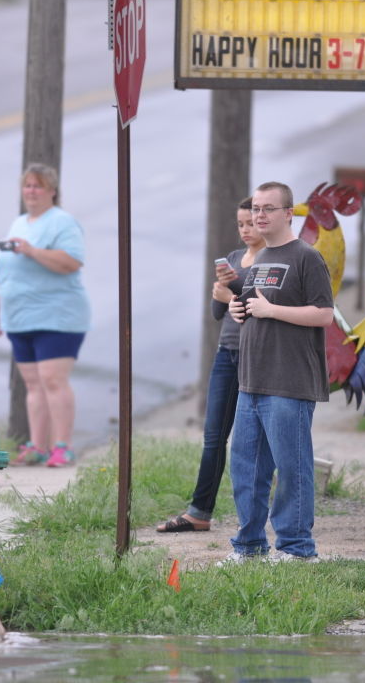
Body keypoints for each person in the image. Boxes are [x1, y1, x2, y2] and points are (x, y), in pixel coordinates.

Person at [223, 181, 334, 564]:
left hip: (290, 382)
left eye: (269, 208)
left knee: (292, 469)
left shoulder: (306, 257)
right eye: (256, 208)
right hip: (251, 382)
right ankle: (250, 547)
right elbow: (256, 306)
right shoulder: (258, 260)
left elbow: (324, 314)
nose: (259, 215)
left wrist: (273, 312)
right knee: (246, 471)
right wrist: (241, 311)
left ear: (288, 213)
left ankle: (297, 550)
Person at [157, 197, 264, 533]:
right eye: (241, 224)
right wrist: (221, 293)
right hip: (226, 353)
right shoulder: (234, 258)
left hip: (256, 356)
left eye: (251, 222)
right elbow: (218, 314)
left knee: (258, 439)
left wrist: (230, 295)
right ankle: (199, 511)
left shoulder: (272, 260)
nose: (246, 230)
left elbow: (260, 311)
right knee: (214, 435)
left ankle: (265, 514)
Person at [0, 163, 90, 468]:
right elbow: (7, 272)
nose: (31, 191)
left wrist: (33, 251)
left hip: (57, 316)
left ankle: (63, 446)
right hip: (19, 316)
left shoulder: (62, 222)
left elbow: (72, 262)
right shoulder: (19, 223)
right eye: (27, 186)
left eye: (38, 186)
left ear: (52, 191)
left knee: (53, 380)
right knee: (32, 384)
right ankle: (38, 445)